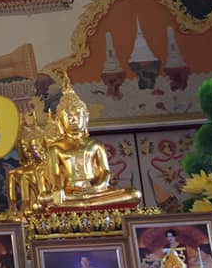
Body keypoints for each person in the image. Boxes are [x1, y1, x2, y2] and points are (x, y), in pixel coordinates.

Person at [39, 81, 141, 210]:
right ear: (60, 121)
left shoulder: (95, 144)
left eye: (77, 115)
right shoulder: (56, 147)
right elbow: (55, 174)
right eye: (69, 116)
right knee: (45, 199)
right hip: (71, 192)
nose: (74, 119)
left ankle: (84, 204)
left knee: (133, 194)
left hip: (95, 191)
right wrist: (58, 189)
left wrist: (97, 187)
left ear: (86, 118)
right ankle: (85, 204)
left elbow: (105, 171)